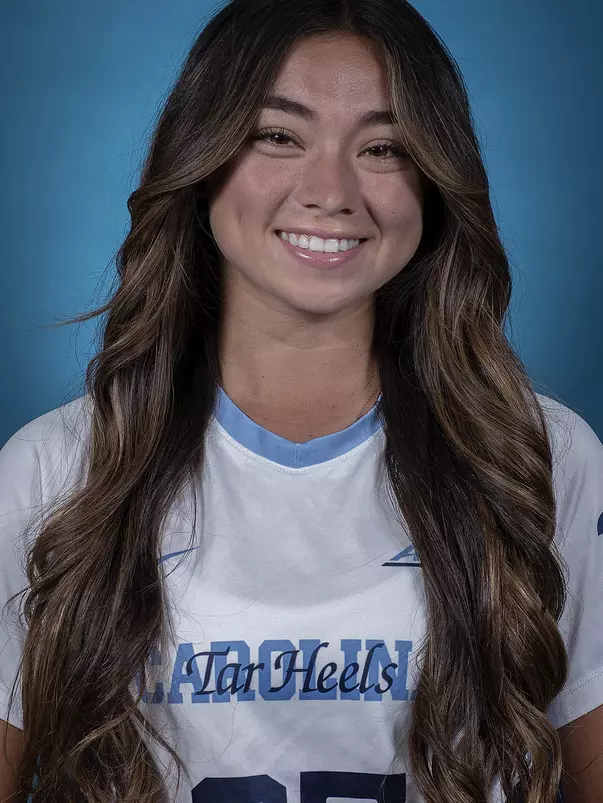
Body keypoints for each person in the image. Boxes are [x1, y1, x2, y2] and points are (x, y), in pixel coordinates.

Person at [1, 0, 602, 801]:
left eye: (383, 147)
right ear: (201, 157)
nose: (331, 190)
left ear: (430, 182)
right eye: (278, 135)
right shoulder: (56, 471)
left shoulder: (541, 458)